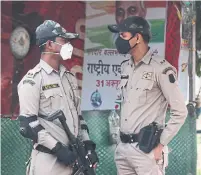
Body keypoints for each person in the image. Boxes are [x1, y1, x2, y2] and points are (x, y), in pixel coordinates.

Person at [108, 16, 188, 175]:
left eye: (123, 35)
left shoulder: (161, 69)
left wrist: (161, 145)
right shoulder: (126, 67)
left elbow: (181, 112)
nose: (118, 40)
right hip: (123, 150)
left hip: (146, 151)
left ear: (137, 37)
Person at [18, 20, 98, 175]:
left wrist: (87, 145)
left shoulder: (69, 78)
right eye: (63, 40)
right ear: (49, 44)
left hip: (75, 160)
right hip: (48, 162)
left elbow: (78, 117)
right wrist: (57, 148)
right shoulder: (33, 80)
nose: (68, 45)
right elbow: (28, 125)